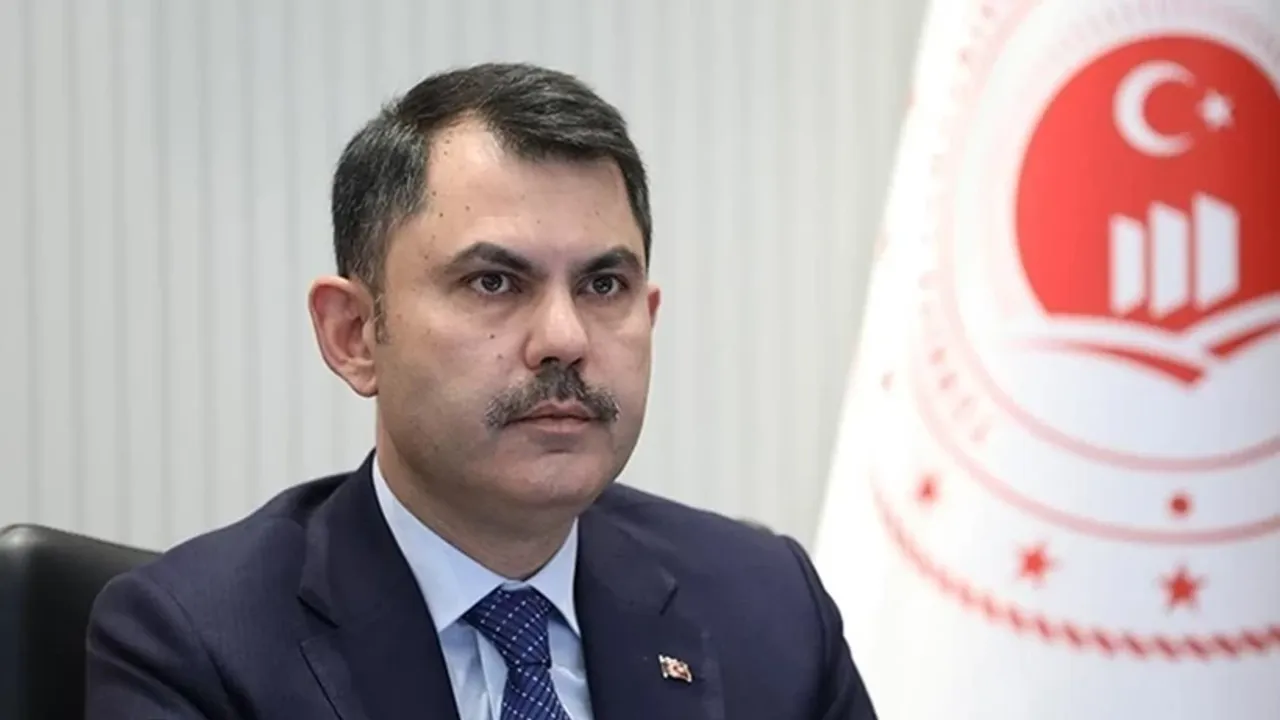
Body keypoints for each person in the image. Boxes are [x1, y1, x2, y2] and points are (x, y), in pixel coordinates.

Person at [85, 62, 877, 720]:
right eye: (494, 281)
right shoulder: (194, 646)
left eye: (604, 285)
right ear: (354, 334)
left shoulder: (768, 606)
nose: (565, 337)